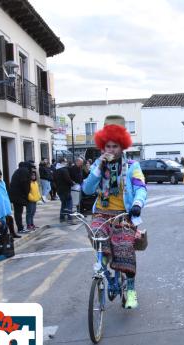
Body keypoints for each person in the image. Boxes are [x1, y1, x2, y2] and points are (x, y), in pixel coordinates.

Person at [82, 115, 147, 309]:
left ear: (122, 147)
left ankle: (131, 290)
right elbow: (87, 189)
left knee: (126, 250)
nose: (110, 150)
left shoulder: (132, 166)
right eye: (107, 146)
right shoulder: (97, 165)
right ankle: (107, 277)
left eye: (114, 146)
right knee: (99, 244)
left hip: (122, 214)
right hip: (101, 214)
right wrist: (98, 169)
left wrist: (137, 203)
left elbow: (141, 187)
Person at [0, 169, 20, 238]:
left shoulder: (3, 182)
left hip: (4, 203)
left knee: (9, 218)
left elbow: (4, 193)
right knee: (2, 220)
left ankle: (12, 234)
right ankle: (3, 237)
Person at [9, 162, 31, 234]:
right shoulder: (24, 171)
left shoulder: (18, 171)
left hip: (15, 195)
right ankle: (20, 228)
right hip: (18, 196)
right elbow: (24, 183)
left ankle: (20, 227)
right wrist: (27, 193)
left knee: (17, 212)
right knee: (18, 212)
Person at [53, 158, 75, 224]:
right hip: (66, 189)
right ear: (62, 162)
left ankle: (62, 217)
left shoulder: (56, 170)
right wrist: (72, 183)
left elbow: (54, 180)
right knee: (69, 204)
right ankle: (70, 218)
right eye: (65, 161)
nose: (66, 163)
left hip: (59, 190)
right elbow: (68, 179)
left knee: (63, 204)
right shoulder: (64, 170)